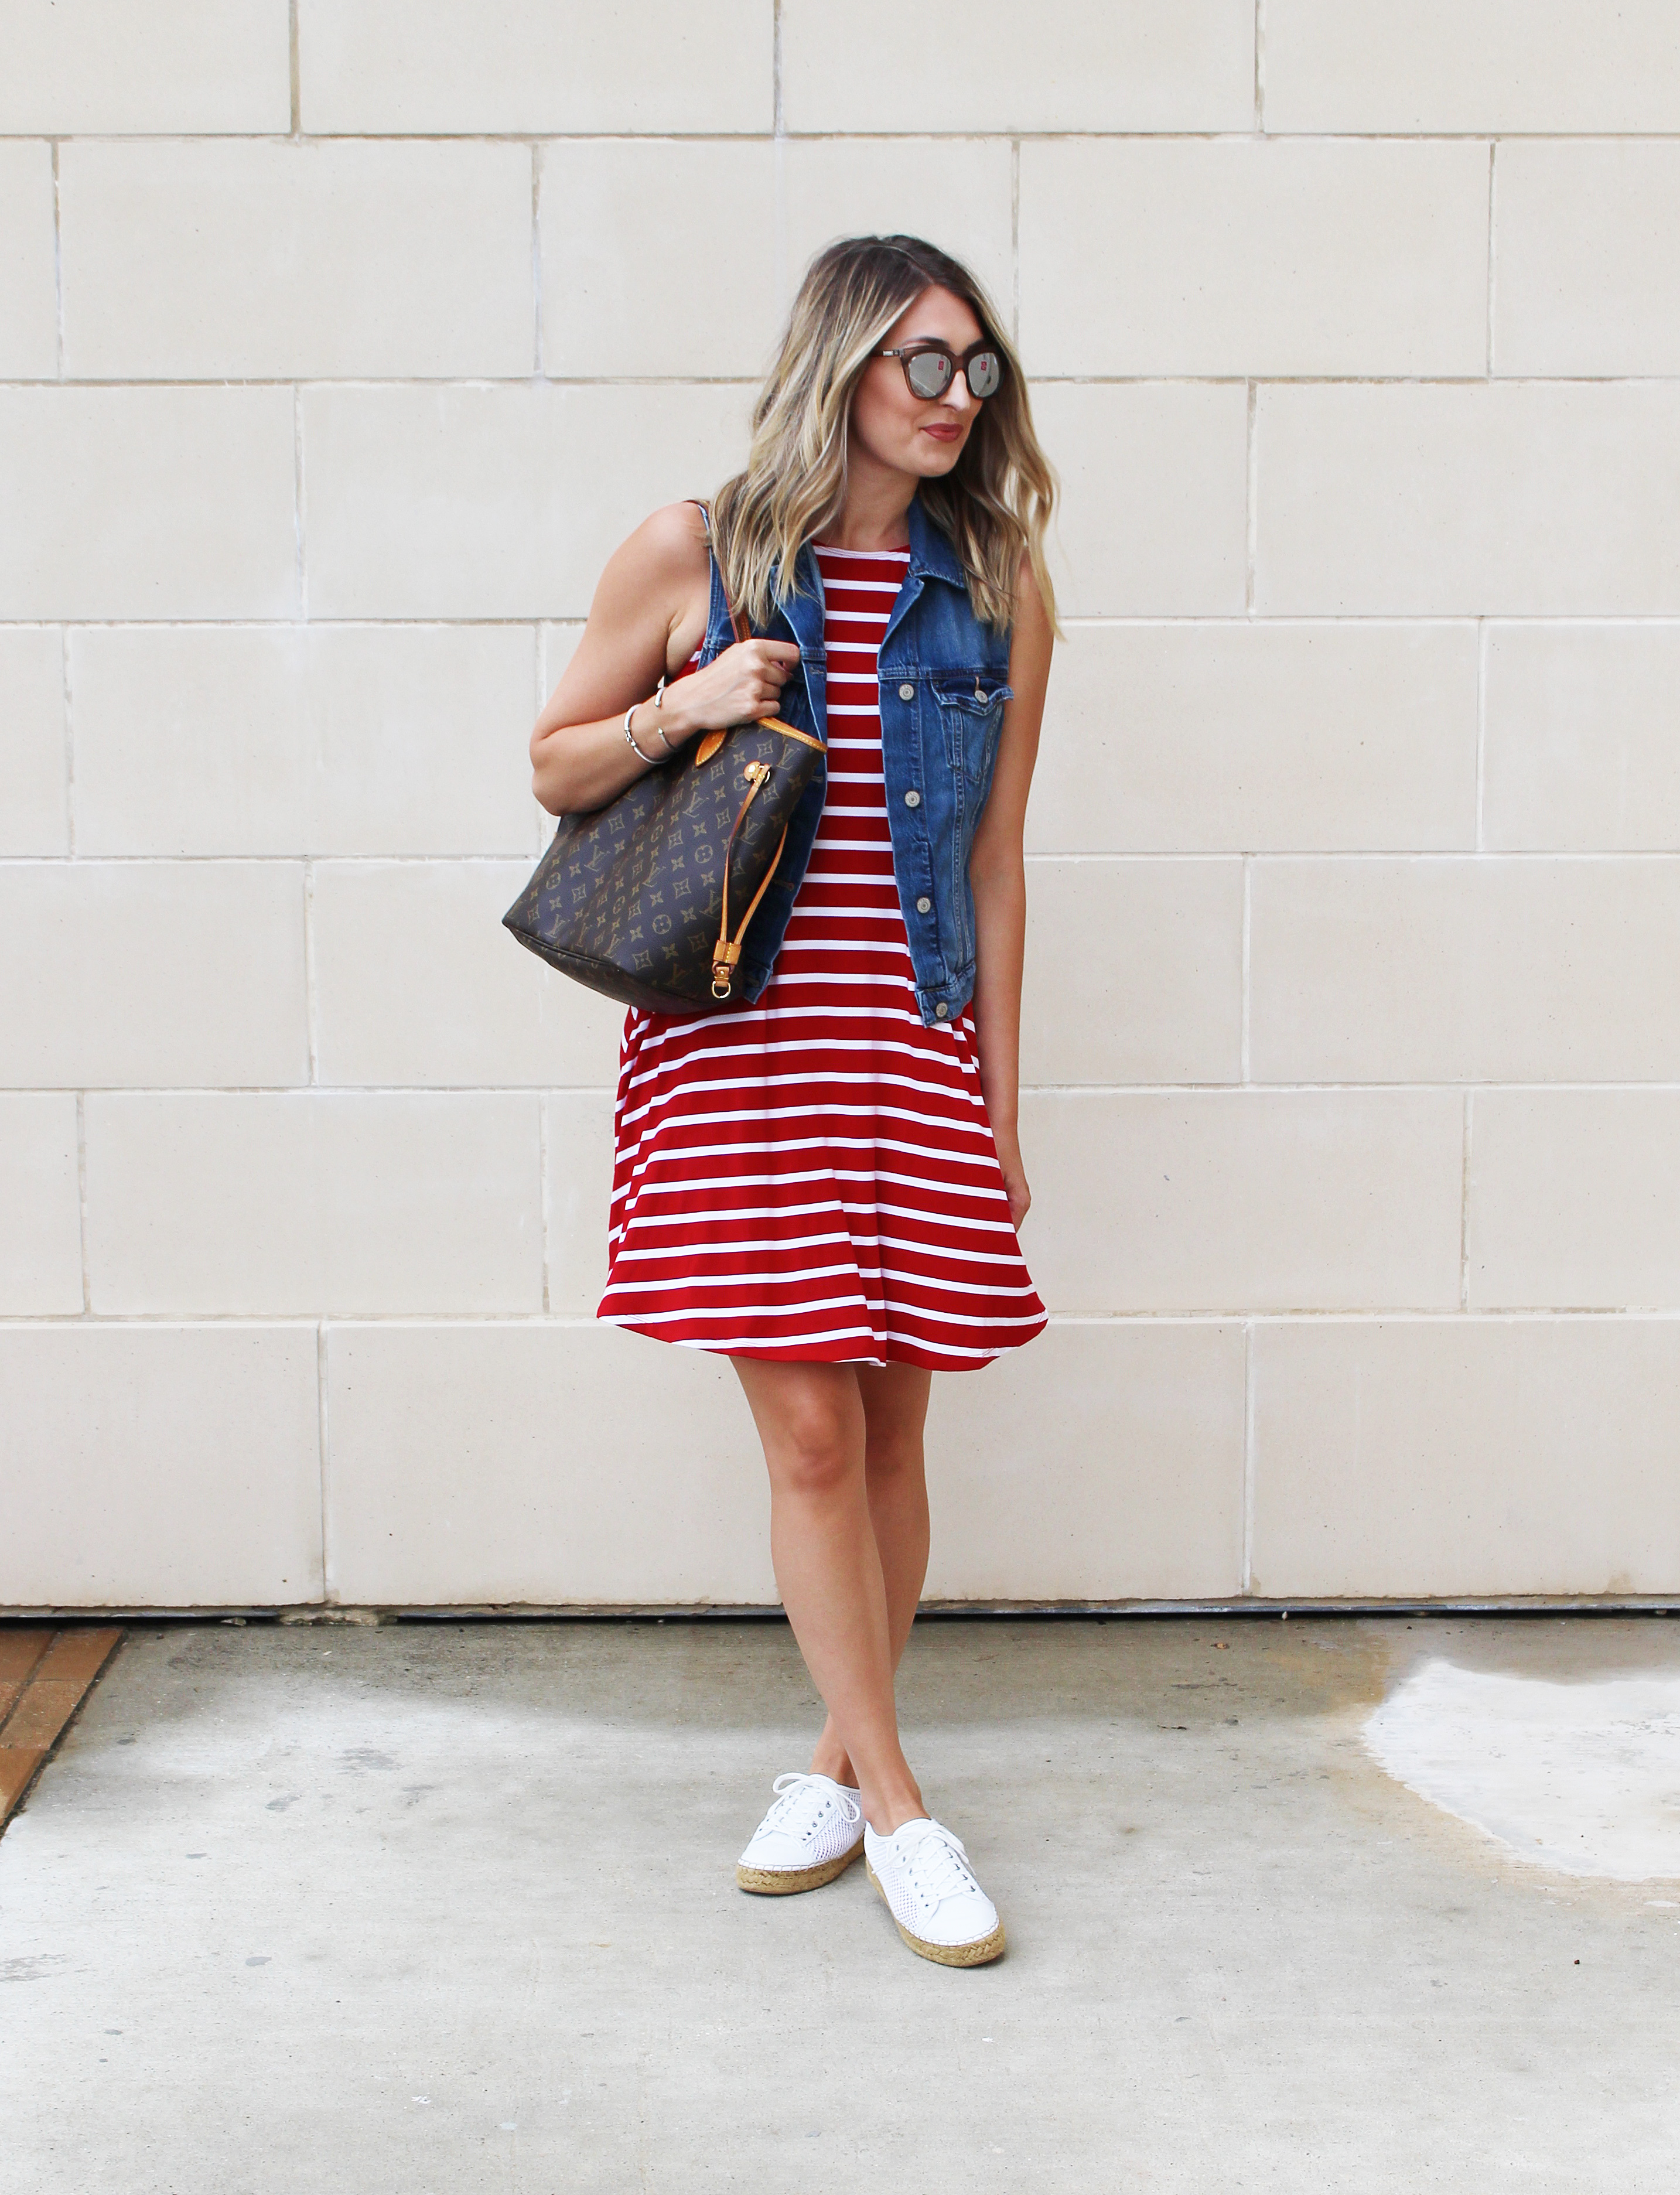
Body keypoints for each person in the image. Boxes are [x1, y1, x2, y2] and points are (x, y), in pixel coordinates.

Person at [530, 235, 1057, 1968]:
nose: (956, 400)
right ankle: (901, 1807)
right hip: (737, 1053)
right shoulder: (696, 551)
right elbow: (553, 757)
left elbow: (994, 865)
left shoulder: (997, 587)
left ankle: (833, 1755)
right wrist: (683, 700)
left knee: (895, 1433)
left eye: (977, 371)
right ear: (840, 361)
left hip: (908, 1047)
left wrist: (996, 1102)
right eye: (926, 362)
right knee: (812, 1437)